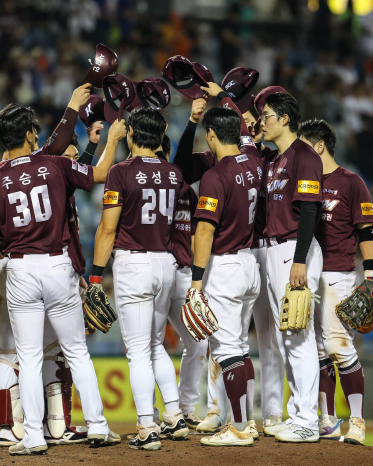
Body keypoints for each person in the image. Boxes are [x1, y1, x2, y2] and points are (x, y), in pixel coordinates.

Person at [0, 83, 119, 455]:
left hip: (20, 268)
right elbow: (100, 172)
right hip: (59, 265)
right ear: (27, 133)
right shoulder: (53, 164)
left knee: (28, 356)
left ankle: (34, 436)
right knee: (76, 352)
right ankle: (99, 426)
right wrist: (114, 138)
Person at [91, 106, 188, 451]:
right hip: (166, 263)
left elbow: (107, 228)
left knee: (137, 352)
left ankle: (147, 426)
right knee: (155, 345)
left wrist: (94, 276)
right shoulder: (175, 174)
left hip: (133, 263)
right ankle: (175, 416)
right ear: (161, 137)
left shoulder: (121, 171)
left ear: (131, 134)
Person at [188, 83, 263, 447]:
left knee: (228, 350)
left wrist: (196, 281)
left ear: (213, 135)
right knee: (242, 350)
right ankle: (244, 422)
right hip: (251, 263)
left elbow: (204, 233)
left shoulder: (215, 175)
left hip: (225, 267)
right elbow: (247, 134)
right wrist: (224, 96)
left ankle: (239, 426)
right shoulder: (254, 160)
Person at [299, 119, 373, 445]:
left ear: (318, 146)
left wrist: (371, 275)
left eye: (303, 146)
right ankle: (327, 420)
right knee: (318, 352)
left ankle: (357, 421)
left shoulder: (351, 182)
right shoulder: (304, 181)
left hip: (337, 274)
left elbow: (367, 230)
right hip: (308, 275)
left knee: (338, 347)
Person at [260, 92, 324, 443]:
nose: (262, 122)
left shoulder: (304, 155)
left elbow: (310, 209)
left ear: (285, 118)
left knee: (299, 336)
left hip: (293, 252)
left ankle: (308, 420)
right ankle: (299, 412)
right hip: (274, 251)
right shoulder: (275, 159)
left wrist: (299, 260)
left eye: (267, 115)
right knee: (288, 338)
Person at [156, 135, 208, 430]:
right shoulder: (136, 181)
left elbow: (194, 233)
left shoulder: (186, 190)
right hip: (154, 266)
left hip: (182, 272)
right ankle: (155, 412)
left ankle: (185, 408)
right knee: (148, 344)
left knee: (198, 342)